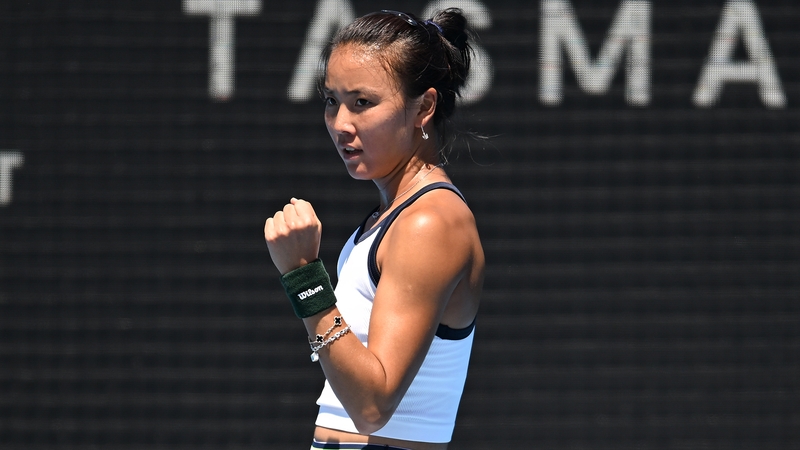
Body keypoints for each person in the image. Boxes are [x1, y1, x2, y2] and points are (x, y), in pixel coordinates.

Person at [264, 8, 485, 450]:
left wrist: (304, 277)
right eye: (332, 101)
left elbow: (371, 408)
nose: (341, 124)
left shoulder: (430, 222)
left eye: (362, 103)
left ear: (424, 107)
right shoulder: (394, 216)